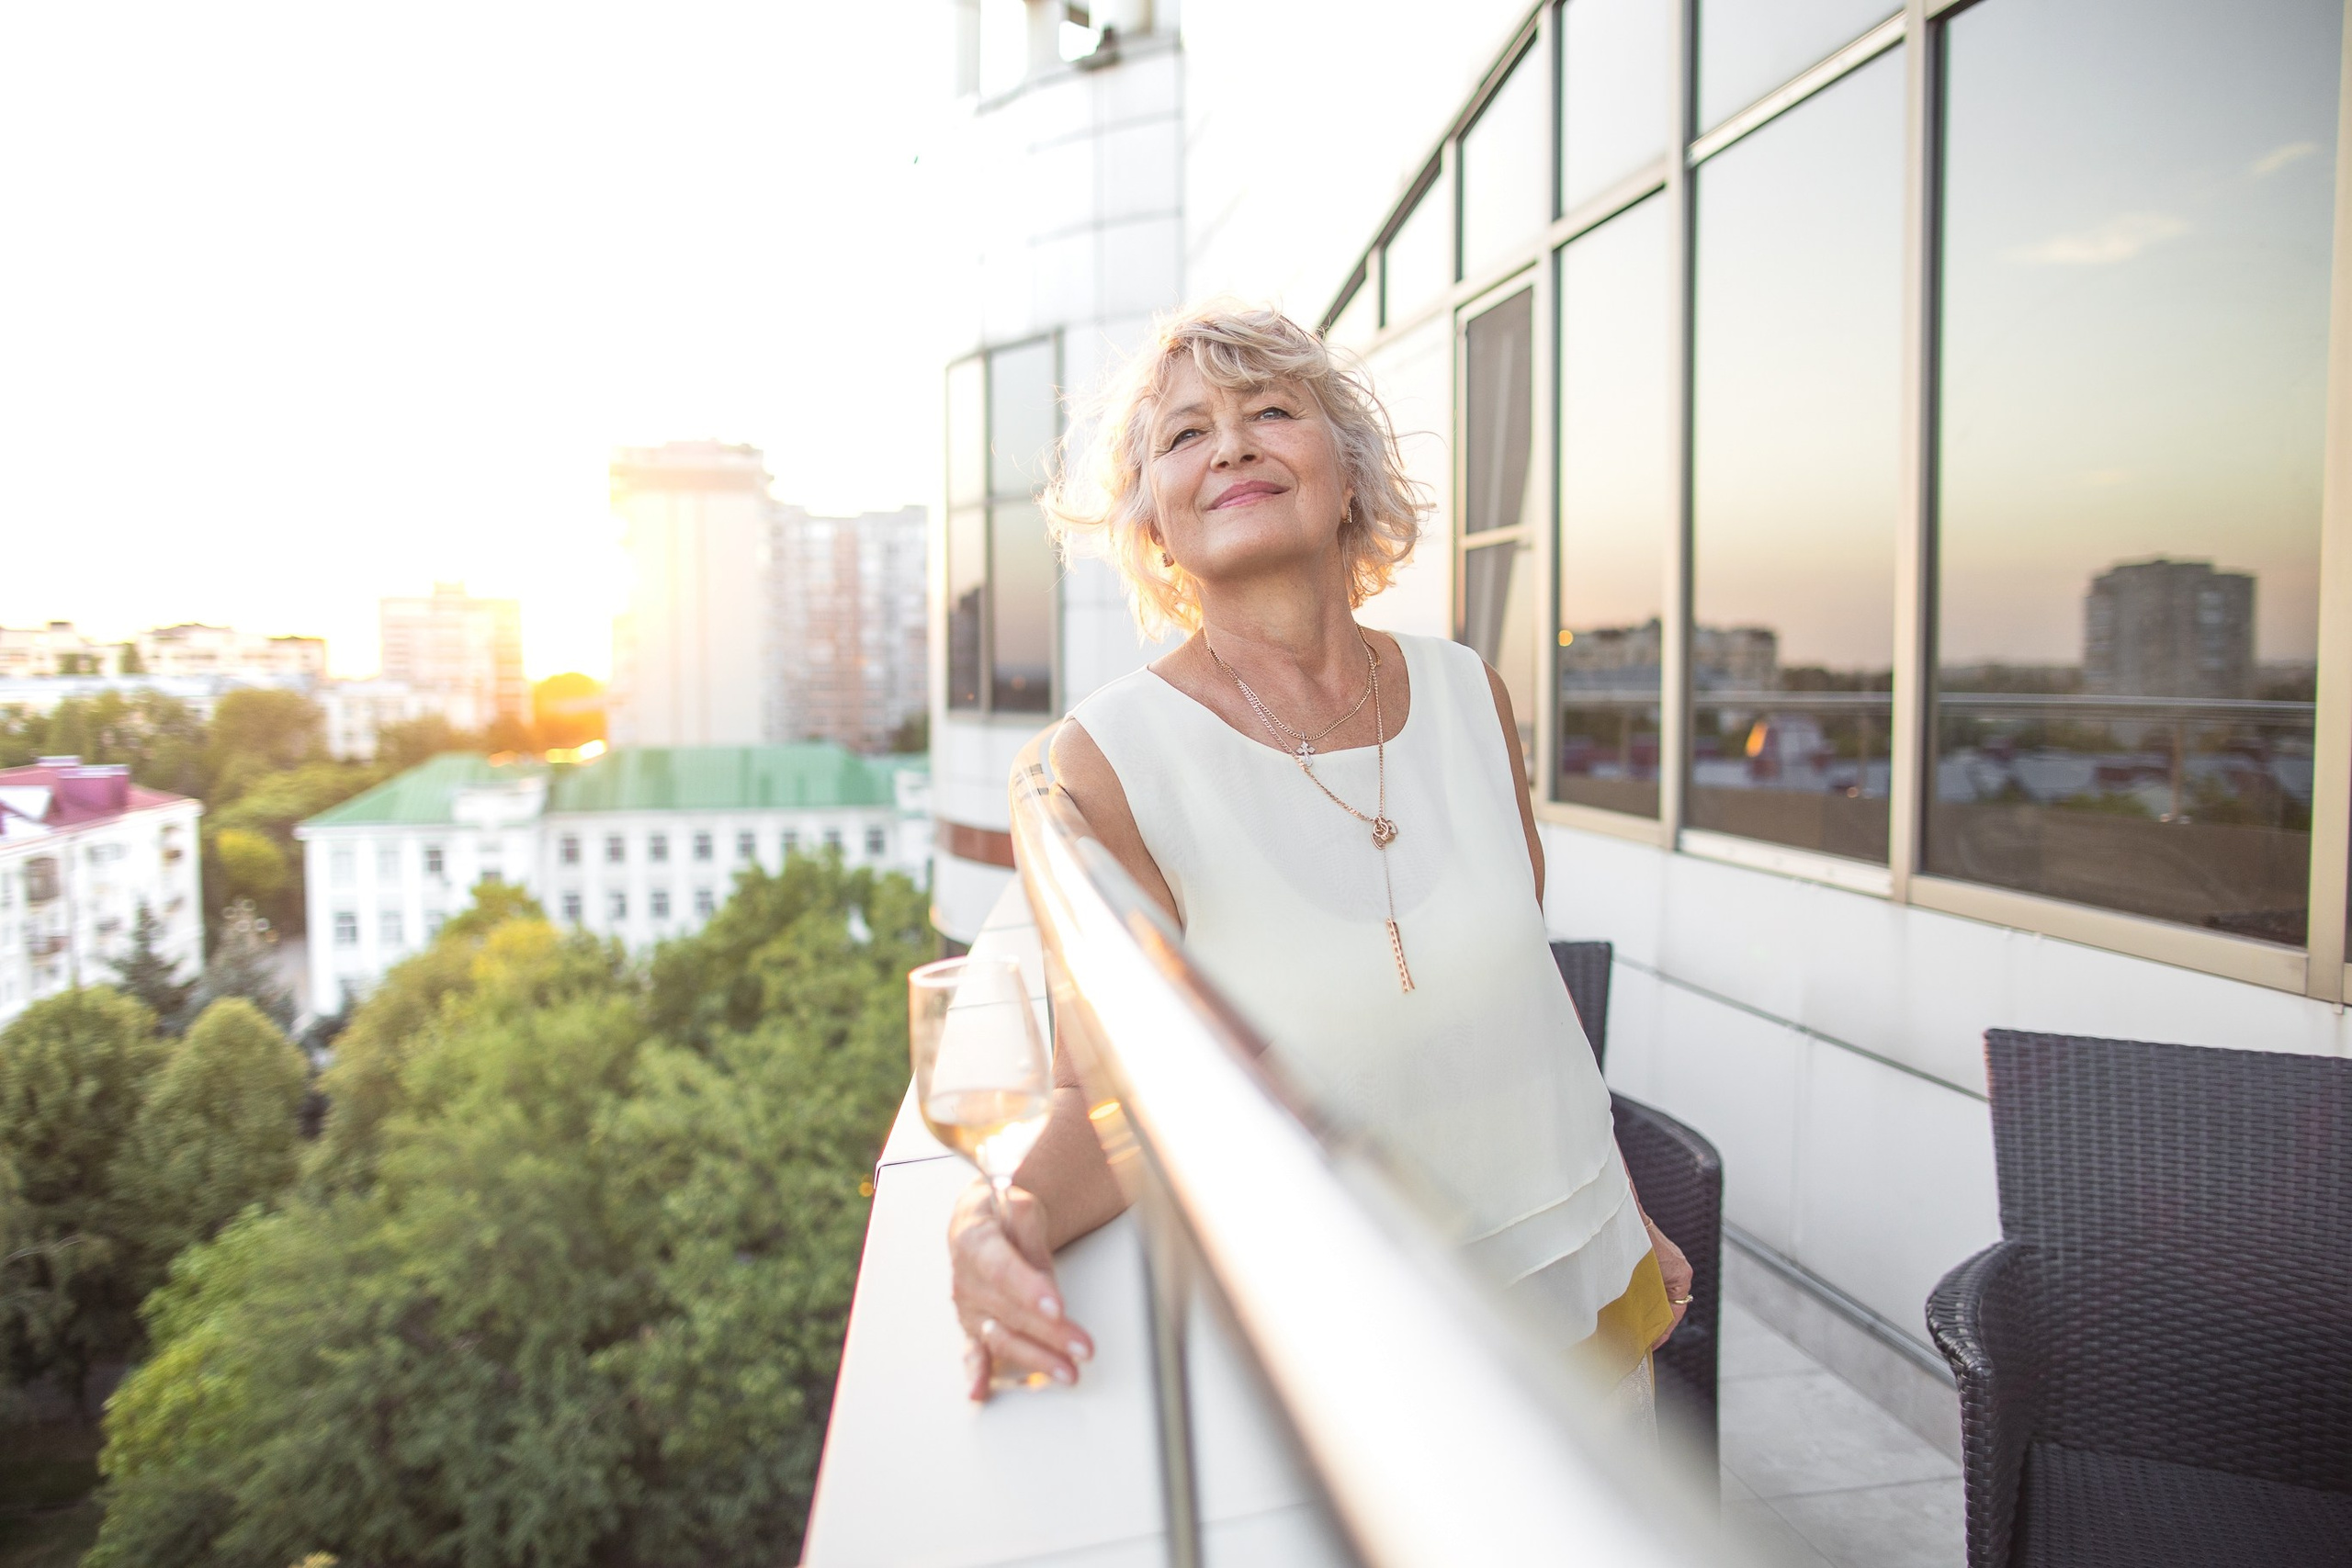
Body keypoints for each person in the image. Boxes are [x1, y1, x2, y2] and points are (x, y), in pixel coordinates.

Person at [945, 300, 1691, 1416]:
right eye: (1185, 434)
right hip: (1363, 1350)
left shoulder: (1471, 691)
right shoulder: (1105, 761)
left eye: (1269, 412)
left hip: (1589, 1285)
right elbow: (1112, 1099)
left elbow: (1522, 997)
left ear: (1347, 477)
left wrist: (1621, 1205)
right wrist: (998, 1214)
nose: (1230, 446)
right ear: (1154, 524)